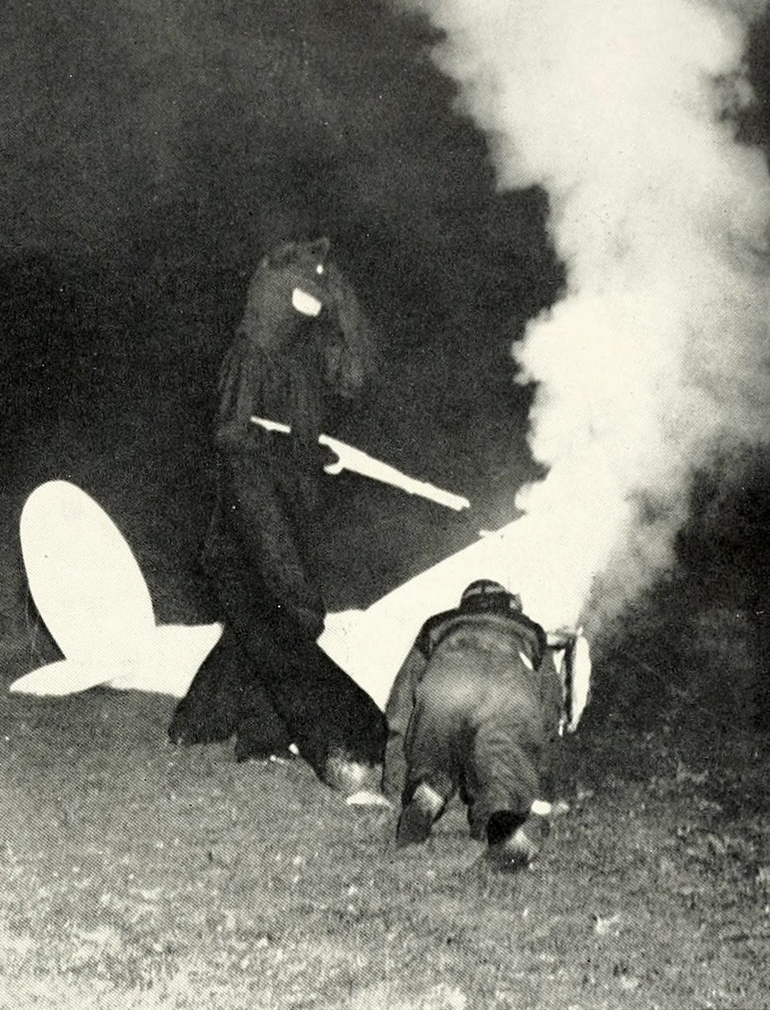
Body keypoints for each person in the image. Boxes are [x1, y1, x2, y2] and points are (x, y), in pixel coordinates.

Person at [168, 237, 387, 792]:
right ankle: (259, 733)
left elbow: (350, 377)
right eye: (303, 296)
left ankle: (204, 724)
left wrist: (315, 453)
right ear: (277, 293)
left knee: (262, 615)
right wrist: (291, 453)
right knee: (297, 611)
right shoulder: (251, 350)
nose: (312, 308)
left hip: (284, 499)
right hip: (250, 500)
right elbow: (230, 435)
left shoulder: (302, 353)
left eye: (318, 298)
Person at [383, 580, 563, 868]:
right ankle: (499, 826)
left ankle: (427, 794)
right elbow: (549, 715)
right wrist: (543, 788)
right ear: (509, 604)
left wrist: (395, 783)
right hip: (507, 688)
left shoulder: (438, 625)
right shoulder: (531, 630)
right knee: (501, 772)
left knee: (435, 761)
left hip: (446, 683)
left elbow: (401, 703)